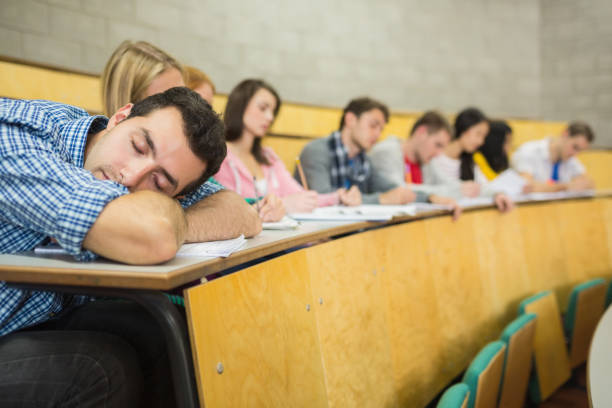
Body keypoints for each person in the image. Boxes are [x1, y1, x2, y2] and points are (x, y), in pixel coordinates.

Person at [0, 87, 258, 406]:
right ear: (119, 117)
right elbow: (156, 236)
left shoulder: (160, 170)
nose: (130, 177)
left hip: (30, 319)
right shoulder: (16, 134)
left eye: (159, 183)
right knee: (100, 370)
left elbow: (241, 212)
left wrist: (175, 225)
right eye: (137, 146)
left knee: (162, 328)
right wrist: (158, 226)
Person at [101, 39, 259, 236]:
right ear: (126, 111)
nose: (184, 109)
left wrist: (171, 229)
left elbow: (236, 207)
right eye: (170, 97)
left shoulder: (181, 163)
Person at [214, 79, 361, 222]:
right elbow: (226, 209)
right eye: (263, 108)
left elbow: (300, 197)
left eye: (273, 112)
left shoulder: (269, 157)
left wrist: (339, 197)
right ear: (240, 105)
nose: (270, 117)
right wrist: (285, 205)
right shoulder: (218, 156)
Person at [298, 97, 458, 208]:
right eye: (373, 125)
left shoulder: (364, 161)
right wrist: (381, 200)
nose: (378, 134)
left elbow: (393, 189)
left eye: (381, 129)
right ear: (351, 120)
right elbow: (324, 198)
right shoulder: (316, 151)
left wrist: (429, 198)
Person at [424, 107, 513, 211]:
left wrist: (497, 194)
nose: (481, 142)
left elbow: (483, 187)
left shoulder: (470, 161)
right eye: (478, 134)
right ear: (465, 129)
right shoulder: (434, 155)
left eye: (483, 137)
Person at [368, 111, 462, 204]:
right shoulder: (386, 151)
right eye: (438, 145)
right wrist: (437, 195)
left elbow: (450, 184)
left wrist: (462, 188)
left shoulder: (426, 159)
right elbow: (399, 190)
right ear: (421, 132)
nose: (438, 153)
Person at [511, 121, 595, 192]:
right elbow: (526, 186)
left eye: (580, 150)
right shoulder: (529, 151)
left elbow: (589, 183)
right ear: (565, 134)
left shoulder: (570, 159)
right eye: (575, 147)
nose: (575, 154)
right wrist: (564, 186)